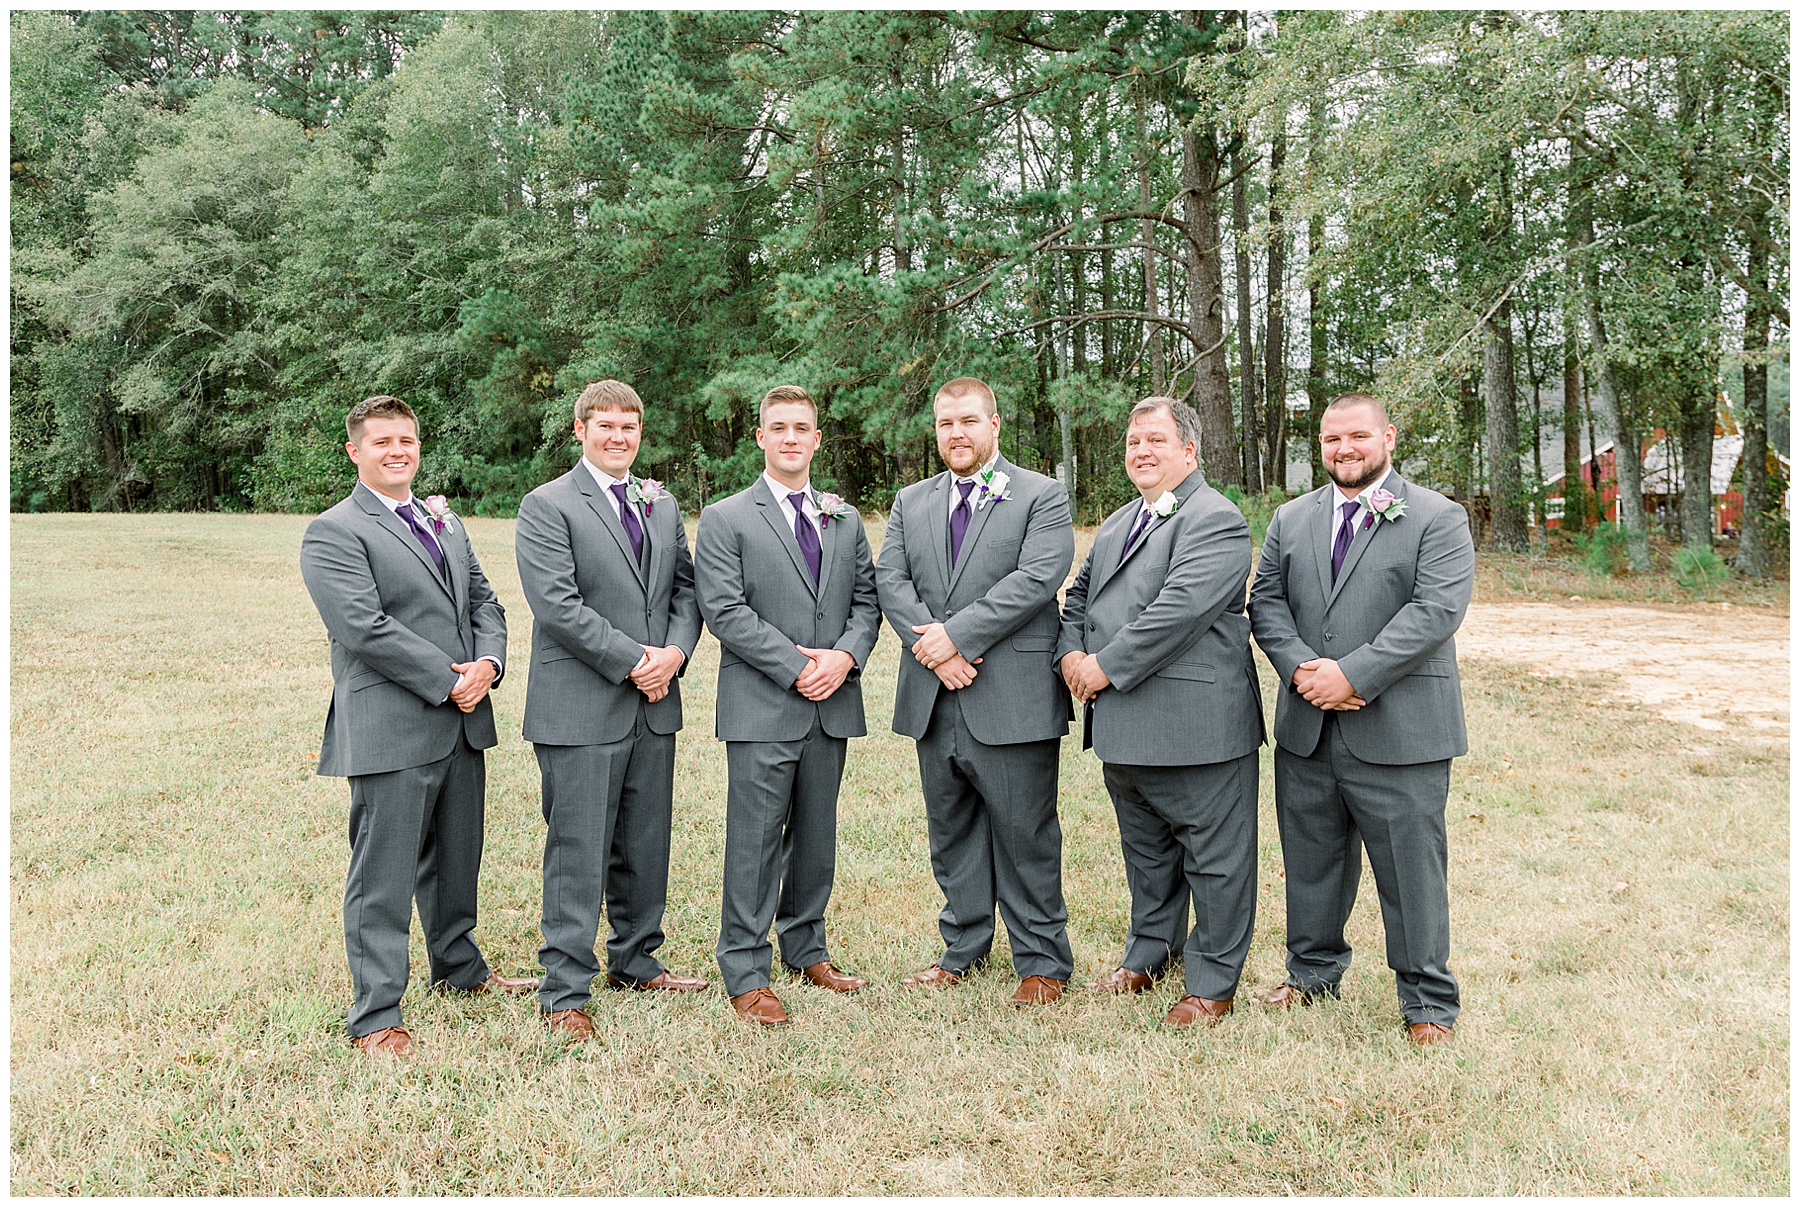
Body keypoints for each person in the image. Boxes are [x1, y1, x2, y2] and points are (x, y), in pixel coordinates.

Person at [299, 395, 536, 1060]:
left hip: (462, 721)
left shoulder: (444, 519)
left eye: (406, 439)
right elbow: (363, 627)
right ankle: (375, 1013)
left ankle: (459, 969)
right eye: (382, 442)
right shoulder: (334, 531)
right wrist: (449, 677)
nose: (397, 450)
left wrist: (488, 663)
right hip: (393, 724)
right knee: (384, 873)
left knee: (456, 860)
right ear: (355, 451)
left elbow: (483, 599)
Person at [1248, 391, 1476, 1046]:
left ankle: (1428, 1001)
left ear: (1388, 438)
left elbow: (1435, 611)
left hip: (1401, 729)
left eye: (1357, 437)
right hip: (1308, 727)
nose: (1344, 449)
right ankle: (1312, 973)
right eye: (1331, 440)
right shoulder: (1292, 519)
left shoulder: (1438, 516)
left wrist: (1354, 674)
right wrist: (1302, 670)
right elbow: (1266, 602)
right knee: (1312, 860)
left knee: (1410, 870)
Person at [1058, 397, 1264, 1027]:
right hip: (1122, 726)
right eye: (1132, 441)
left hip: (1196, 726)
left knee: (1215, 858)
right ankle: (1148, 957)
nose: (1140, 451)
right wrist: (1070, 655)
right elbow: (1078, 596)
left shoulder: (1216, 520)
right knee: (1146, 853)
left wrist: (1102, 667)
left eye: (1155, 440)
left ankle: (1211, 982)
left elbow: (1176, 613)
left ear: (1190, 452)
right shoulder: (1121, 520)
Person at [514, 380, 708, 1042]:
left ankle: (637, 960)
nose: (619, 436)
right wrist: (636, 660)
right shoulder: (547, 506)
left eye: (630, 426)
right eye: (606, 425)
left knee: (645, 841)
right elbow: (557, 605)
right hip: (582, 704)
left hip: (655, 703)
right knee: (577, 848)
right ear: (580, 429)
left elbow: (687, 588)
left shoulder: (660, 502)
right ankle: (565, 988)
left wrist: (675, 653)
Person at [873, 376, 1076, 1006]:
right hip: (936, 695)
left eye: (967, 421)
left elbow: (1039, 577)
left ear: (994, 424)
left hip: (1009, 693)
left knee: (1025, 830)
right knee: (952, 827)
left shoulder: (1041, 495)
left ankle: (1042, 959)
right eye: (944, 424)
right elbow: (891, 577)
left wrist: (954, 638)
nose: (955, 434)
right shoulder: (912, 501)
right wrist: (930, 648)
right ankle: (963, 944)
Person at [693, 384, 881, 1025]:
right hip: (763, 704)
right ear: (761, 439)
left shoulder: (845, 518)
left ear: (817, 439)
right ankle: (745, 968)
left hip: (833, 702)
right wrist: (798, 665)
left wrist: (846, 658)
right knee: (755, 840)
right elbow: (723, 610)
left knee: (816, 836)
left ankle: (807, 948)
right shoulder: (726, 518)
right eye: (779, 427)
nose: (792, 438)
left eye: (802, 427)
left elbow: (867, 602)